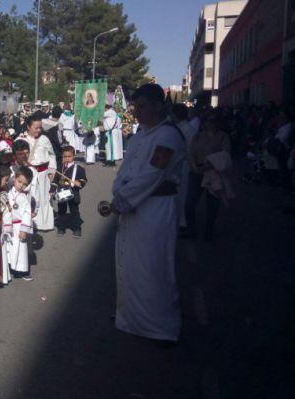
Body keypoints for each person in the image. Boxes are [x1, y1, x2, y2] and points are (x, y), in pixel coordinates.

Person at [110, 83, 185, 343]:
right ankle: (130, 318)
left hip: (156, 210)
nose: (137, 112)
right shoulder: (140, 134)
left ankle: (161, 327)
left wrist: (122, 200)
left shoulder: (168, 136)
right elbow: (125, 169)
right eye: (135, 106)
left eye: (142, 106)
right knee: (131, 265)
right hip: (133, 206)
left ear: (158, 106)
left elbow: (153, 174)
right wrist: (118, 190)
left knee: (153, 266)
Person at [185, 113, 231, 240]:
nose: (211, 123)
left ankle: (209, 230)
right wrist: (194, 166)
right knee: (190, 203)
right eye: (209, 121)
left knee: (212, 204)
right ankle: (191, 229)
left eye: (214, 121)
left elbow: (225, 154)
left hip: (213, 172)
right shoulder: (198, 136)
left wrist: (208, 165)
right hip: (196, 172)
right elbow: (190, 152)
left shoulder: (223, 137)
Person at [17, 115, 55, 231]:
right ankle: (29, 223)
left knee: (44, 197)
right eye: (36, 128)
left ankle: (45, 223)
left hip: (43, 173)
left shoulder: (44, 139)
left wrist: (52, 170)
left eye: (40, 128)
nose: (38, 130)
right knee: (30, 197)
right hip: (29, 173)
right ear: (28, 127)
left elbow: (51, 155)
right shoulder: (21, 139)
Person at [2, 166, 34, 281]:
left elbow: (27, 214)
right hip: (8, 225)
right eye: (19, 181)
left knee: (20, 250)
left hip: (19, 227)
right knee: (9, 248)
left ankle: (22, 271)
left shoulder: (24, 197)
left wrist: (24, 230)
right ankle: (10, 268)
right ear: (14, 178)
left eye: (24, 184)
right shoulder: (8, 192)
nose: (21, 185)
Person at [170, 104, 198, 232]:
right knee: (183, 194)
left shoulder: (179, 130)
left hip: (183, 164)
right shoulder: (189, 129)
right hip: (184, 164)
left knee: (181, 194)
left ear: (175, 115)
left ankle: (182, 222)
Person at [53, 146, 87, 238]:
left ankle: (77, 229)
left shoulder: (79, 168)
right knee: (61, 211)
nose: (67, 158)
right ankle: (61, 228)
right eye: (65, 156)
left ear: (73, 156)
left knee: (74, 212)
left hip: (73, 193)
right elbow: (55, 181)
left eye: (69, 156)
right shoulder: (60, 168)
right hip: (61, 193)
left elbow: (83, 179)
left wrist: (79, 182)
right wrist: (51, 191)